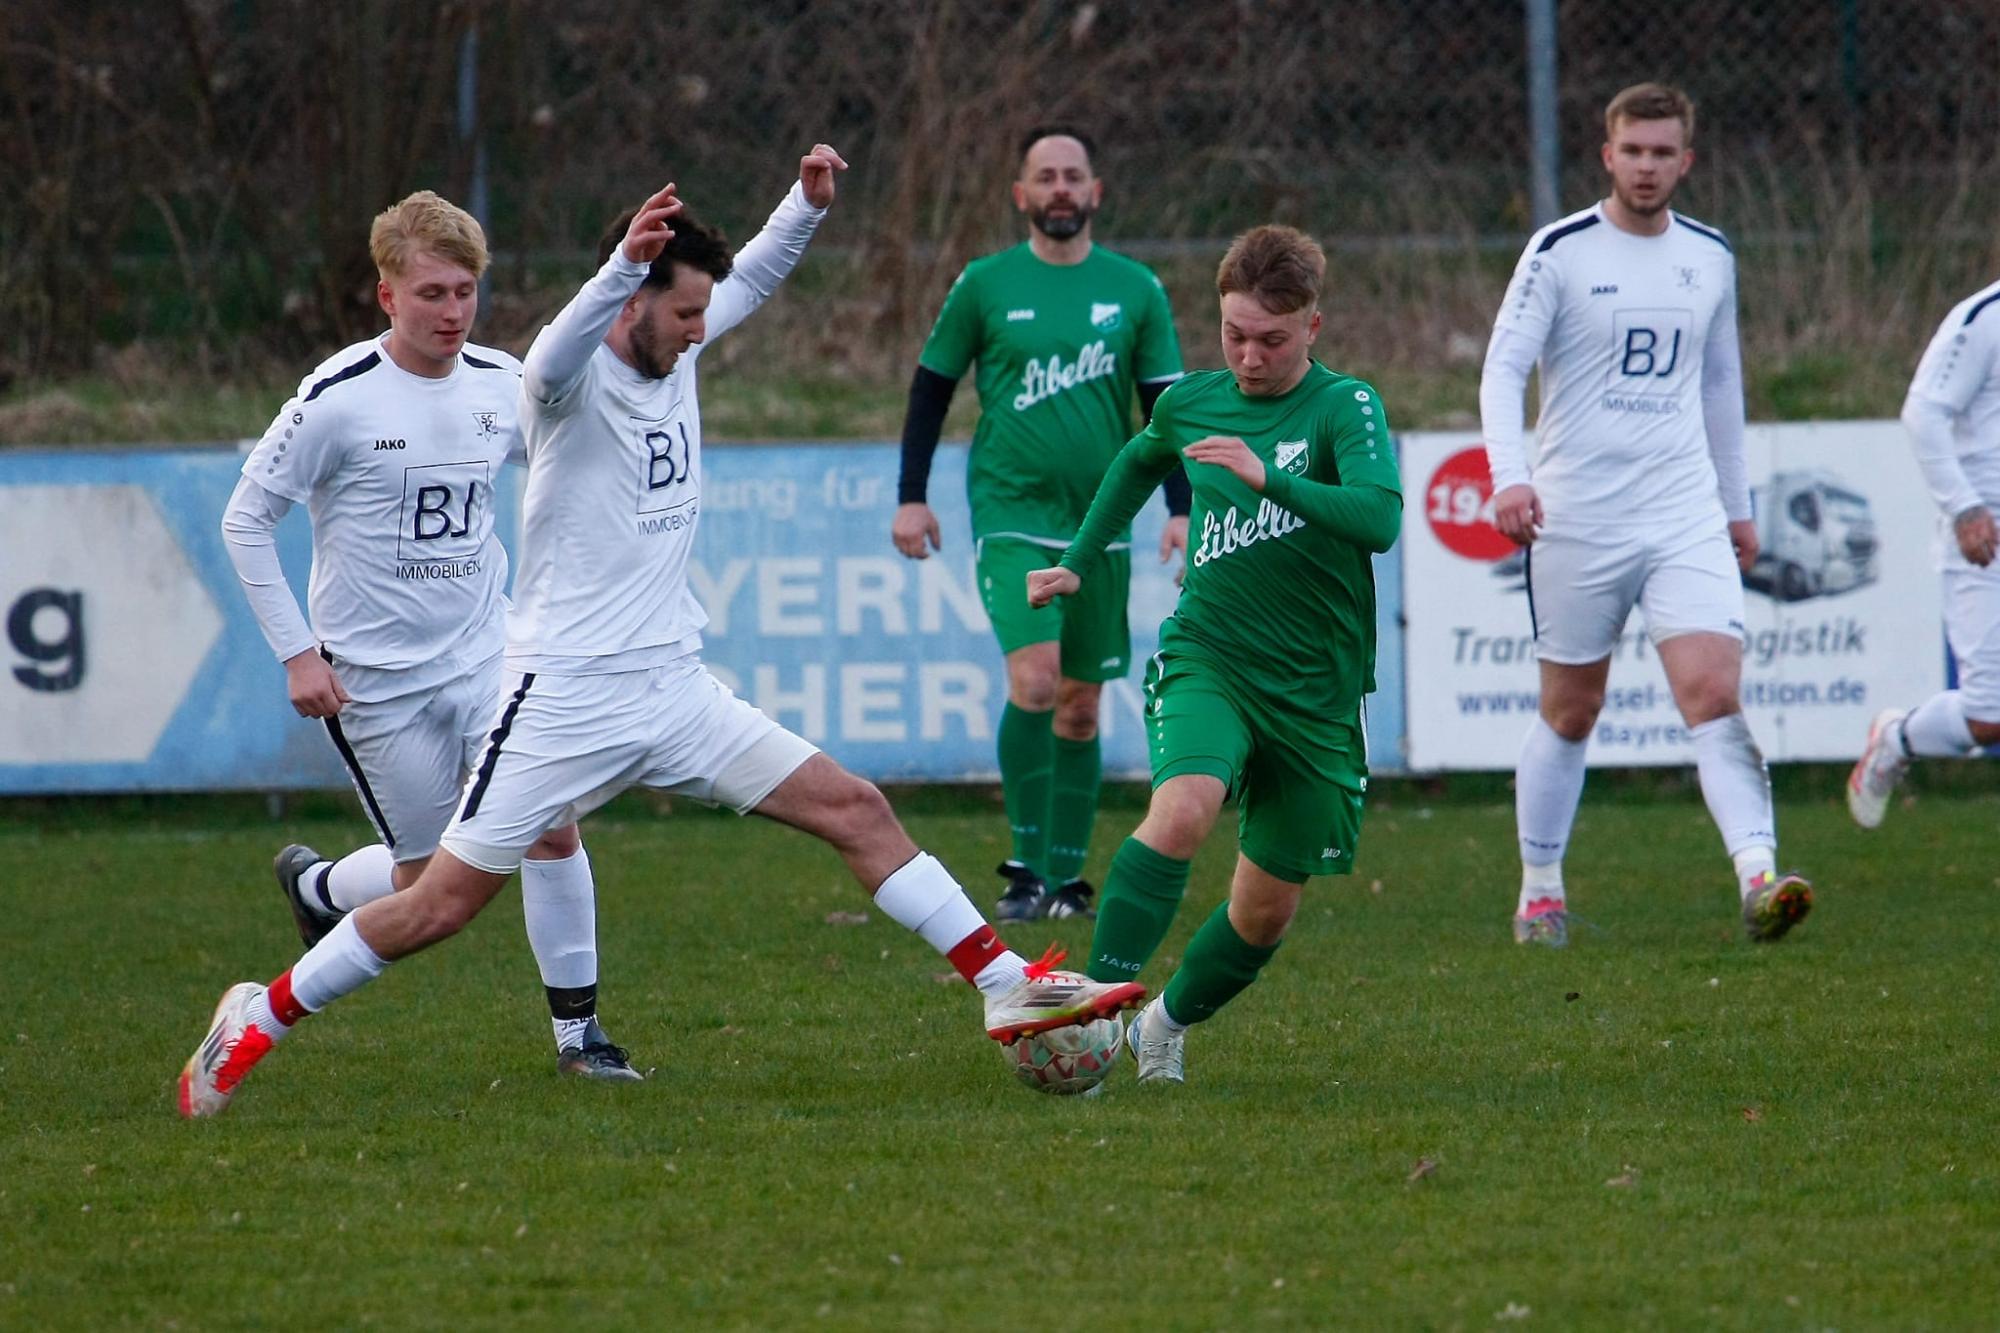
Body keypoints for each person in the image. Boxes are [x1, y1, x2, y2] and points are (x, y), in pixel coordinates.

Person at [179, 145, 1144, 1119]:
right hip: (559, 696)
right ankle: (260, 1013)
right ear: (632, 300)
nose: (699, 332)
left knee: (854, 807)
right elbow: (556, 346)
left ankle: (1003, 982)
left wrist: (803, 207)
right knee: (437, 902)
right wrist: (616, 269)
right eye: (681, 313)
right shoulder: (561, 383)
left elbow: (754, 275)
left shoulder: (674, 337)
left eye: (699, 313)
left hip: (673, 691)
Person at [220, 190, 636, 1081]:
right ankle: (322, 888)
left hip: (492, 657)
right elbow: (246, 520)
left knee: (551, 829)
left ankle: (582, 1039)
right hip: (375, 682)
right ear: (388, 297)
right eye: (433, 294)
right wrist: (298, 652)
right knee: (426, 889)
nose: (452, 312)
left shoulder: (502, 382)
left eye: (465, 292)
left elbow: (570, 463)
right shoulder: (337, 399)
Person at [1026, 224, 1400, 1084]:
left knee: (1264, 913)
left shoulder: (1346, 407)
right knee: (1185, 805)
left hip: (1317, 693)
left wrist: (1273, 480)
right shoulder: (1192, 401)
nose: (1249, 357)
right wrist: (1079, 563)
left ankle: (1164, 1023)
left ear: (1313, 325)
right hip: (1212, 657)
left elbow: (1378, 519)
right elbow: (1136, 461)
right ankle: (1096, 1013)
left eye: (1271, 339)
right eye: (1234, 334)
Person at [1478, 82, 1812, 947]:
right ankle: (1541, 888)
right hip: (1578, 516)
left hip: (1682, 511)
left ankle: (1760, 875)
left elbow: (1719, 384)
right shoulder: (1560, 251)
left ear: (1686, 161)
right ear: (1608, 154)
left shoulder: (1709, 255)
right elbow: (1502, 370)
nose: (1648, 167)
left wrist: (1735, 506)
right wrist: (1510, 476)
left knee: (1713, 692)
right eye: (1634, 151)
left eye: (1664, 153)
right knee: (1572, 709)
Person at [893, 125, 1189, 923]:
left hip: (1104, 520)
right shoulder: (986, 284)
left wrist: (1183, 508)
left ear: (1095, 193)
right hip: (1011, 509)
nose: (1060, 188)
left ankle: (1065, 880)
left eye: (1073, 176)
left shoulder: (1135, 289)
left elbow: (1165, 406)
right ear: (1021, 195)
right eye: (1045, 177)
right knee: (1035, 678)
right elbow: (931, 388)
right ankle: (1024, 869)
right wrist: (911, 494)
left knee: (1082, 704)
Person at [1847, 276, 2000, 824]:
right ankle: (1896, 738)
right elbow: (1923, 413)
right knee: (1988, 717)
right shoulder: (1983, 318)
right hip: (1988, 539)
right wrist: (1965, 508)